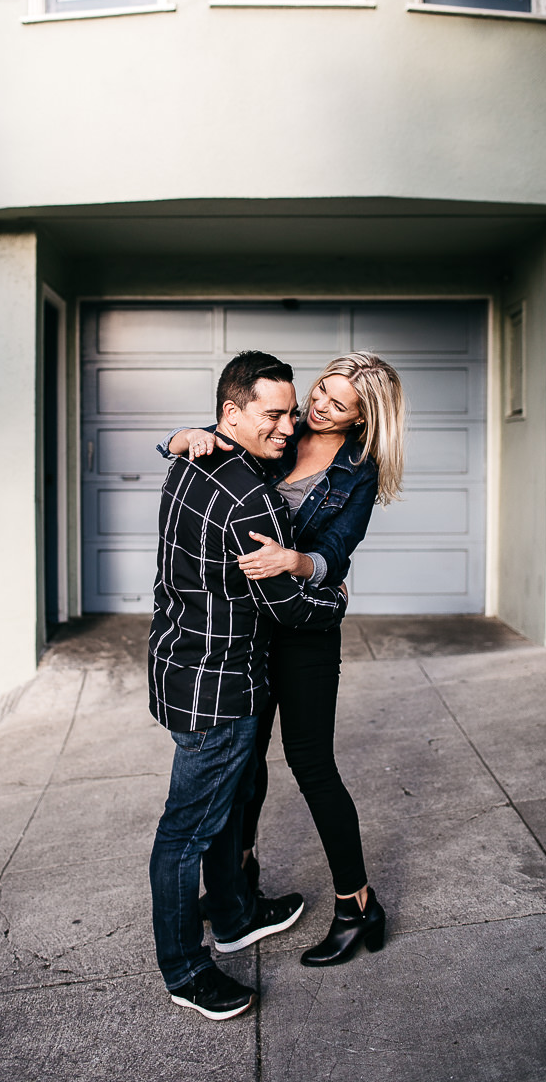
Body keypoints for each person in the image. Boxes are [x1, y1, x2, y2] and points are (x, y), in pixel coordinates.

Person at [163, 352, 405, 968]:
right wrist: (180, 437)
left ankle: (357, 904)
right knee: (243, 769)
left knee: (311, 764)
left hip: (305, 634)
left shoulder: (358, 472)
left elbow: (333, 554)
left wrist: (296, 563)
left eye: (337, 403)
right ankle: (239, 894)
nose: (318, 407)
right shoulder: (282, 429)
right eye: (320, 391)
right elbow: (232, 428)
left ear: (362, 418)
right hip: (253, 625)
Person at [149, 351, 347, 1021]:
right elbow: (288, 606)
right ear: (231, 413)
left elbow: (181, 443)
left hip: (181, 665)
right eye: (274, 414)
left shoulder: (193, 459)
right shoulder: (249, 496)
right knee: (187, 835)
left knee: (233, 800)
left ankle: (234, 914)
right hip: (219, 687)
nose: (289, 427)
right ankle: (185, 970)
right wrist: (337, 598)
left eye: (293, 413)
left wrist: (178, 434)